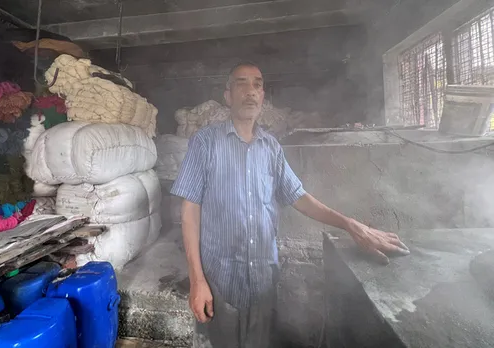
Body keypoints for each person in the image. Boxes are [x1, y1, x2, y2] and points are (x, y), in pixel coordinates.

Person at [170, 62, 410, 348]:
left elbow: (299, 197)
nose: (250, 91)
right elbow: (190, 213)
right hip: (220, 280)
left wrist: (350, 224)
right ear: (227, 95)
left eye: (257, 84)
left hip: (263, 278)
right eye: (241, 83)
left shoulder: (271, 147)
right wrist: (197, 281)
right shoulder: (205, 143)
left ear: (263, 95)